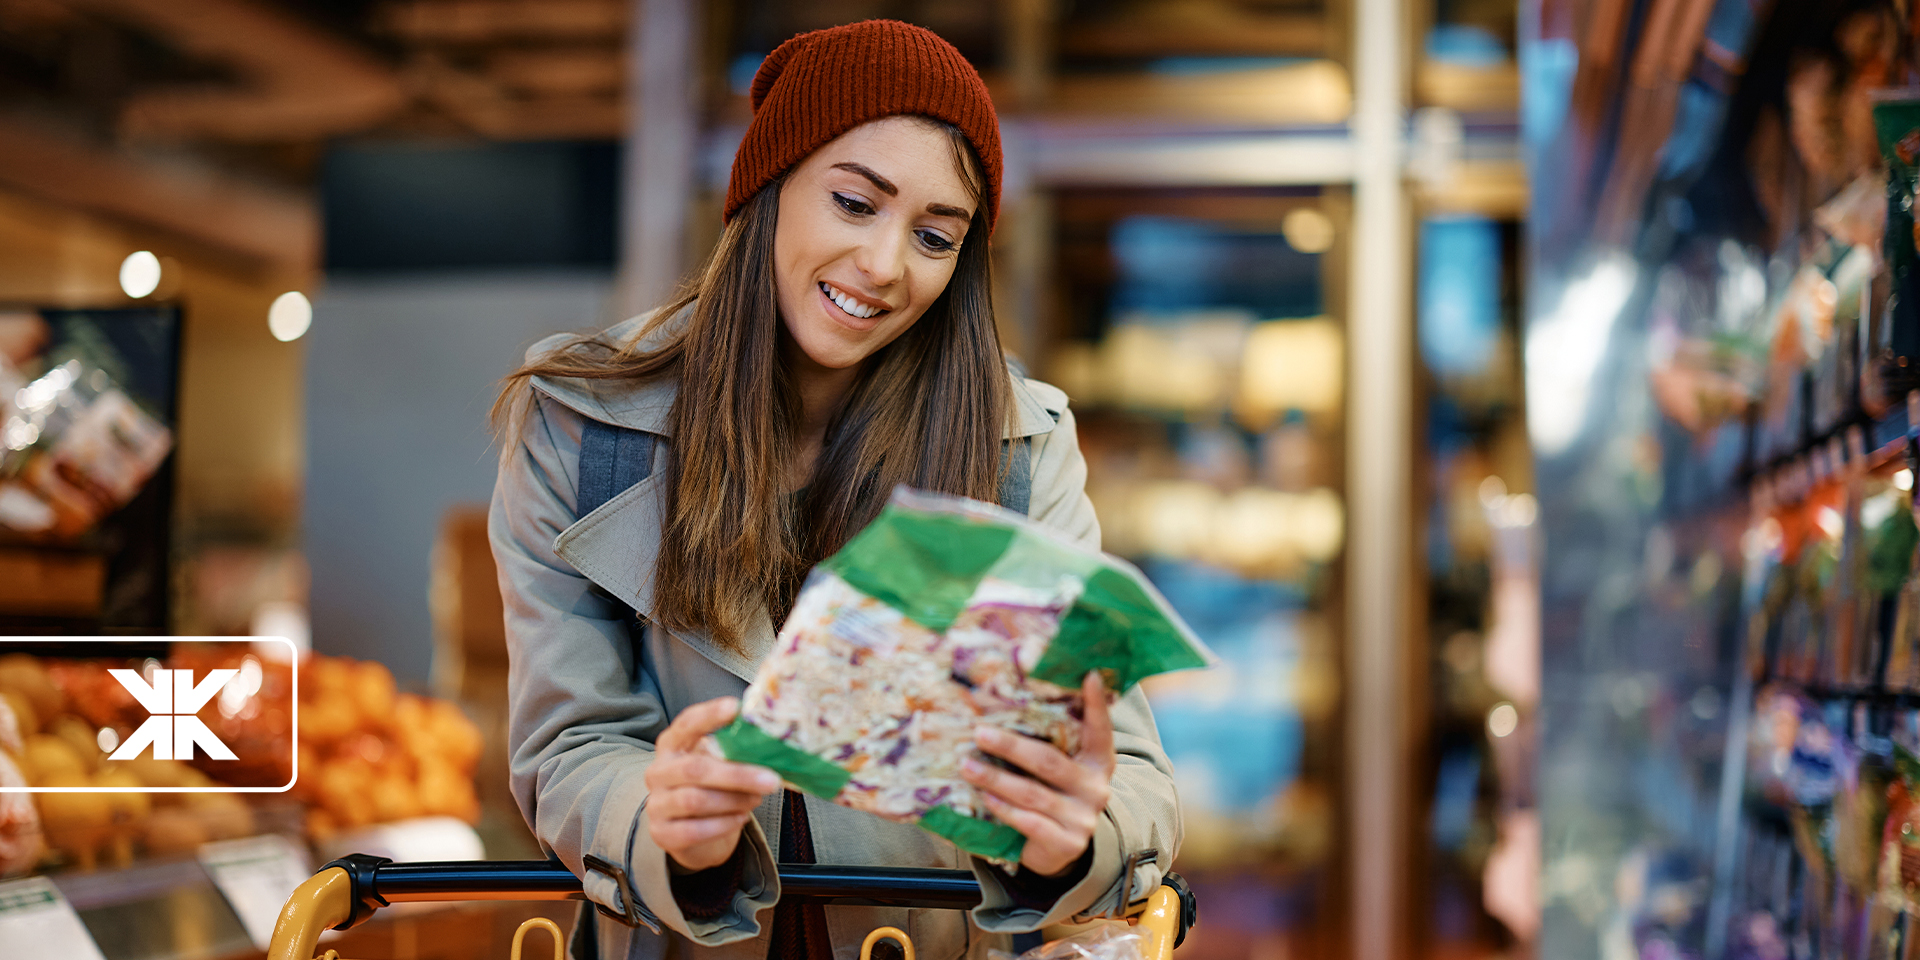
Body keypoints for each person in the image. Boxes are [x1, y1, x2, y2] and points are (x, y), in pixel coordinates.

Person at [489, 20, 1180, 960]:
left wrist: (1072, 841)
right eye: (856, 203)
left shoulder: (1019, 447)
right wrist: (665, 823)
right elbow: (569, 745)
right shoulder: (582, 422)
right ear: (768, 188)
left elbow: (1132, 774)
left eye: (935, 236)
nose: (887, 265)